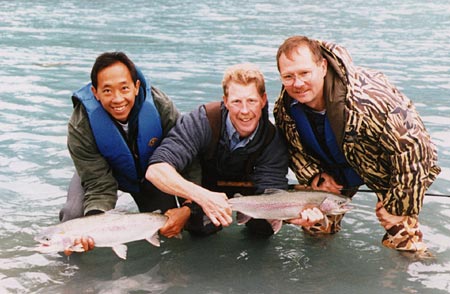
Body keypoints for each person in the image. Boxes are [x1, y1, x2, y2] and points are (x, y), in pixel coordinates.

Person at [273, 35, 441, 252]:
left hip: (393, 172)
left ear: (322, 67)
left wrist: (399, 207)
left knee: (403, 240)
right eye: (288, 76)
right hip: (336, 172)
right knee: (316, 228)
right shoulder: (284, 110)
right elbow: (293, 149)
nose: (297, 83)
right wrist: (314, 176)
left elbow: (416, 151)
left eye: (305, 73)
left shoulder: (368, 101)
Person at [146, 63, 304, 236]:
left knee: (265, 229)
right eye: (236, 101)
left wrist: (293, 215)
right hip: (205, 188)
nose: (245, 111)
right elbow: (156, 170)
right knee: (199, 229)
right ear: (226, 101)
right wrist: (201, 198)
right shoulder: (201, 121)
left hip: (252, 192)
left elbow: (273, 192)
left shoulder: (272, 140)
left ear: (263, 100)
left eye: (251, 101)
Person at [59, 52, 190, 254]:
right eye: (107, 91)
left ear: (137, 87)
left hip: (151, 173)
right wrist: (94, 223)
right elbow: (97, 183)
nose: (118, 98)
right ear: (95, 92)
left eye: (124, 88)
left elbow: (187, 155)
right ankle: (74, 276)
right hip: (103, 174)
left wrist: (189, 207)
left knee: (185, 227)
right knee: (73, 220)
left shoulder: (161, 106)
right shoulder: (80, 125)